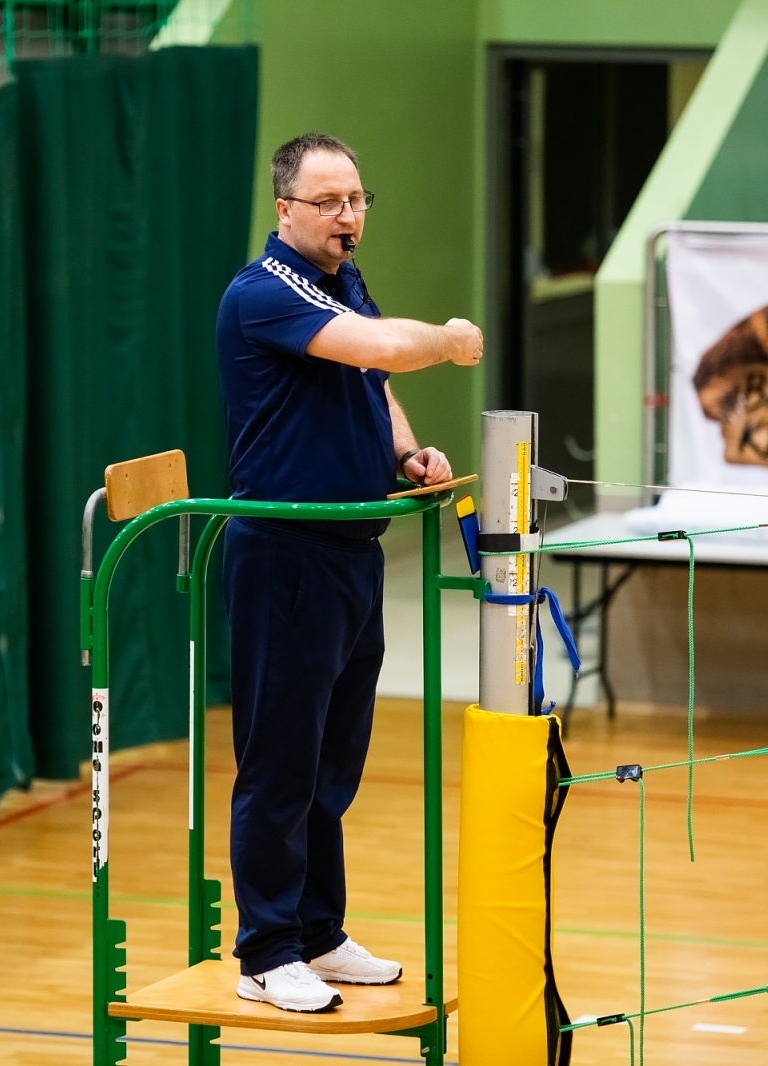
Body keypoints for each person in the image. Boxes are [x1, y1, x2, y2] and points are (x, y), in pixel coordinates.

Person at [213, 132, 483, 1014]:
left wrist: (406, 454)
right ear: (284, 209)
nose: (348, 216)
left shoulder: (339, 280)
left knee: (334, 760)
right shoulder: (266, 292)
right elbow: (387, 351)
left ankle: (319, 934)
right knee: (280, 763)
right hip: (285, 554)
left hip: (350, 554)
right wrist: (445, 338)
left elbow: (373, 381)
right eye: (329, 202)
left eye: (357, 199)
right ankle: (265, 951)